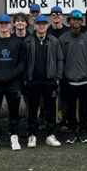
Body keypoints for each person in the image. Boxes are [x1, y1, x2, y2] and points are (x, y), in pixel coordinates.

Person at [0, 14, 27, 152]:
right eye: (1, 23)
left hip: (13, 83)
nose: (3, 25)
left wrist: (13, 75)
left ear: (10, 25)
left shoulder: (18, 42)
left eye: (6, 23)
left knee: (14, 112)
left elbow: (22, 62)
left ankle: (14, 136)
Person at [23, 15, 63, 148]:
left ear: (47, 25)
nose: (41, 26)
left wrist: (57, 77)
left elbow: (59, 59)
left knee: (50, 110)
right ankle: (32, 135)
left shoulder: (53, 40)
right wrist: (25, 78)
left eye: (44, 24)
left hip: (49, 81)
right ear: (34, 25)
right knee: (33, 109)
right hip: (33, 81)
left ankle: (50, 135)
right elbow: (24, 61)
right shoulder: (28, 41)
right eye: (38, 23)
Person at [59, 10, 87, 144]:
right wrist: (64, 74)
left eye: (78, 19)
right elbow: (60, 58)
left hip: (85, 79)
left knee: (85, 108)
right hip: (69, 80)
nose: (76, 22)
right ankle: (71, 131)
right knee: (70, 108)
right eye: (73, 19)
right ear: (69, 21)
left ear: (81, 21)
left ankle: (83, 131)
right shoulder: (63, 38)